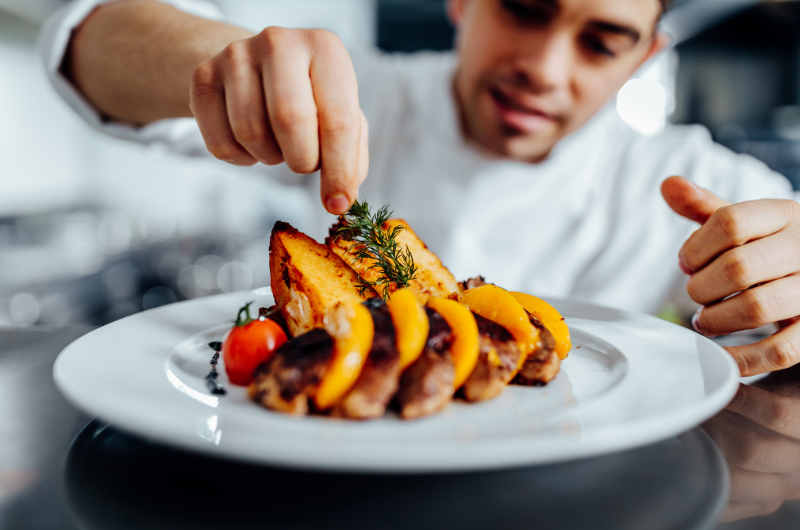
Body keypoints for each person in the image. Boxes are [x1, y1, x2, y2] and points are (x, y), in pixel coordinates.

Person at [40, 0, 800, 376]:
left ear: (645, 58)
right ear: (463, 2)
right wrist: (218, 59)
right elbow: (83, 45)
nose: (543, 65)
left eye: (601, 41)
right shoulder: (362, 92)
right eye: (524, 9)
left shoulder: (702, 180)